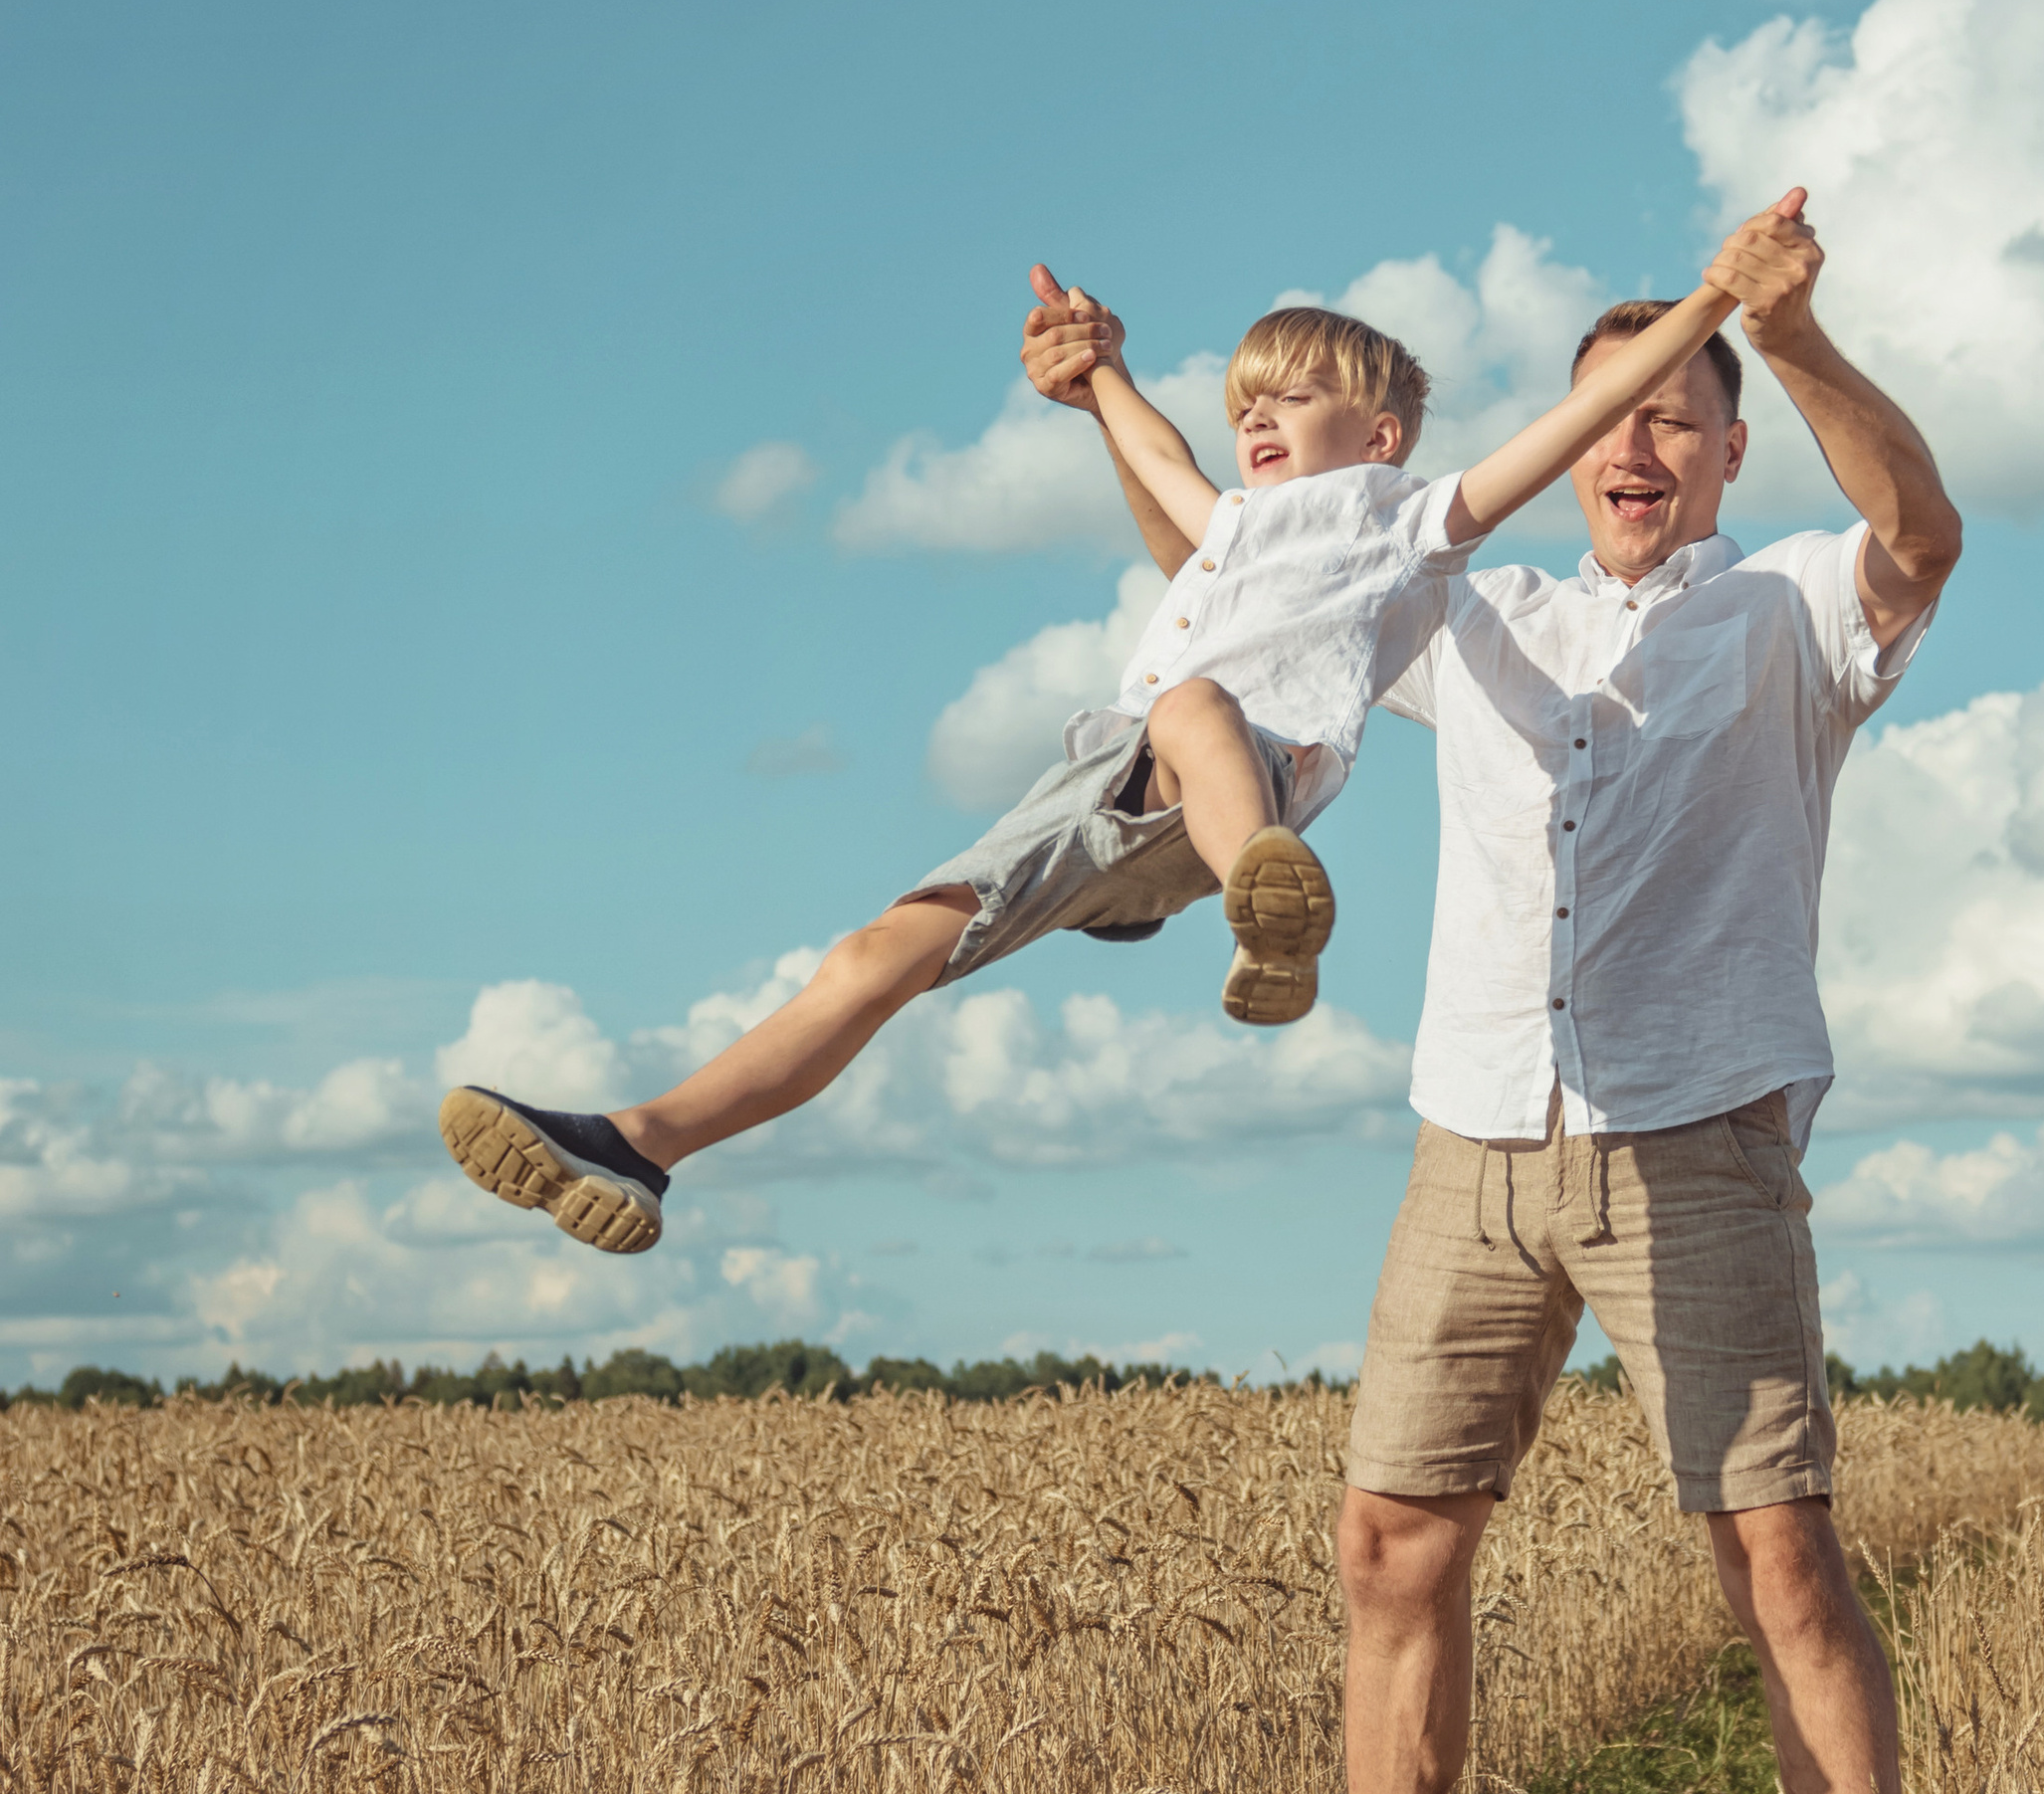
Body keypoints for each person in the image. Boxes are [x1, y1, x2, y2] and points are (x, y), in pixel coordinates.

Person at [1022, 192, 1958, 1794]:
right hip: (1469, 1135)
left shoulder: (1792, 610)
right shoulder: (1480, 614)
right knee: (1387, 1542)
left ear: (1717, 449)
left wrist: (1788, 338)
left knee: (1776, 1564)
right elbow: (1237, 554)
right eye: (1611, 419)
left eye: (1678, 421)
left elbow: (1920, 536)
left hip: (1692, 1135)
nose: (1633, 451)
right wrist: (1102, 389)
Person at [435, 257, 1749, 1261]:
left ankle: (1268, 911)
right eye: (1247, 402)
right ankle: (641, 1147)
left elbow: (1576, 425)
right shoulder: (1237, 526)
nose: (1257, 418)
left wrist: (1710, 299)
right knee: (879, 953)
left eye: (1293, 397)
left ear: (1383, 436)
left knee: (1187, 702)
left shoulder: (1405, 527)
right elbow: (1161, 458)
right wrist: (1102, 371)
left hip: (1237, 774)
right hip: (1109, 789)